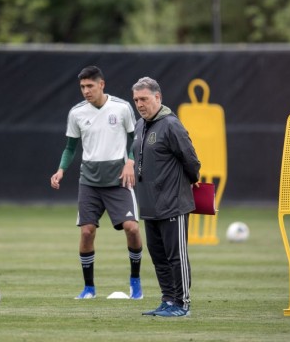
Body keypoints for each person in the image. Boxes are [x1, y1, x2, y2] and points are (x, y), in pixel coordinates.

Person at [50, 65, 143, 300]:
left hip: (118, 180)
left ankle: (135, 282)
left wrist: (130, 162)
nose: (85, 91)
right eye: (82, 87)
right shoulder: (77, 113)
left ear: (101, 84)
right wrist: (61, 170)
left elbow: (135, 140)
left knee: (132, 228)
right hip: (89, 181)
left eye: (90, 86)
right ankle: (89, 288)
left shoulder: (122, 108)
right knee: (87, 232)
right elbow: (70, 148)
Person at [130, 76, 200, 317]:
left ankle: (182, 303)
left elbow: (191, 160)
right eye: (136, 99)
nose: (140, 104)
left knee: (176, 256)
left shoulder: (171, 124)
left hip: (173, 204)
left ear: (158, 98)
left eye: (144, 99)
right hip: (149, 205)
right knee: (159, 257)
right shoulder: (139, 126)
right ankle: (168, 300)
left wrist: (185, 184)